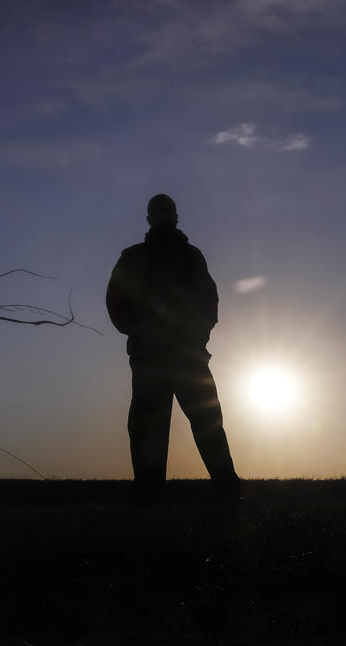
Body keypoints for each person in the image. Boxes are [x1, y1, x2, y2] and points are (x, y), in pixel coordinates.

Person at [105, 194, 240, 504]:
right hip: (164, 354)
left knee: (200, 422)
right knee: (167, 426)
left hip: (175, 354)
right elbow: (116, 302)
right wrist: (140, 332)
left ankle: (223, 492)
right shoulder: (142, 258)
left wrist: (194, 337)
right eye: (161, 212)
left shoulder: (184, 257)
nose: (164, 216)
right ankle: (154, 496)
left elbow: (209, 302)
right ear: (159, 218)